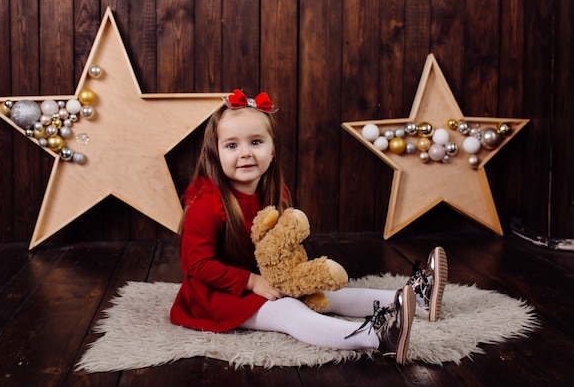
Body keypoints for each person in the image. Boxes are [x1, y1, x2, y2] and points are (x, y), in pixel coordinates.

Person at [170, 89, 448, 365]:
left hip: (262, 279)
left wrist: (294, 275)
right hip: (214, 296)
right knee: (288, 310)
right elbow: (197, 266)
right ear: (215, 153)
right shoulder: (207, 204)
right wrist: (252, 282)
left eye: (255, 142)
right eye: (231, 145)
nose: (245, 153)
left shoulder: (275, 195)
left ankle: (413, 297)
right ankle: (378, 336)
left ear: (273, 150)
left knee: (321, 294)